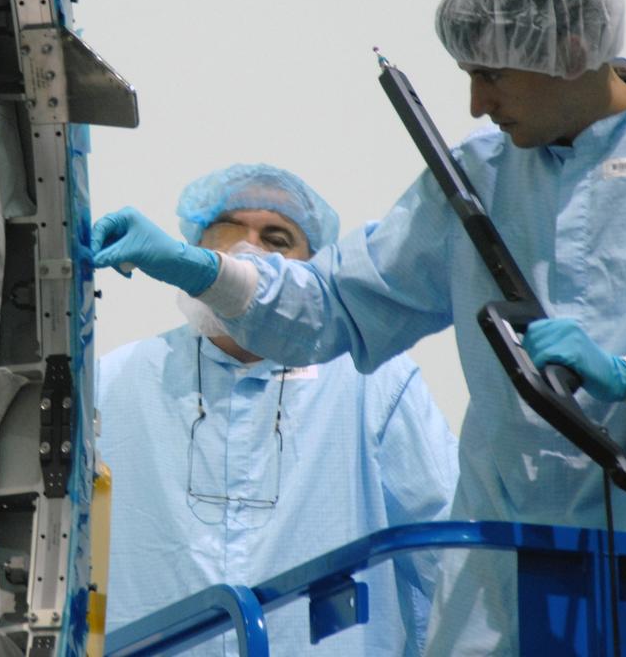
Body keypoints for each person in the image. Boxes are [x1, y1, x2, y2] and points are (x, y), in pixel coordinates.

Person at [91, 0, 626, 654]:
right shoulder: (477, 179)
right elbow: (335, 302)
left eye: (492, 74)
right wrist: (197, 269)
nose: (475, 102)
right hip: (502, 596)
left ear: (572, 47)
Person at [99, 164, 458, 656]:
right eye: (227, 229)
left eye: (277, 238)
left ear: (312, 278)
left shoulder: (373, 385)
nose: (248, 251)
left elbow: (448, 557)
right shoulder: (114, 382)